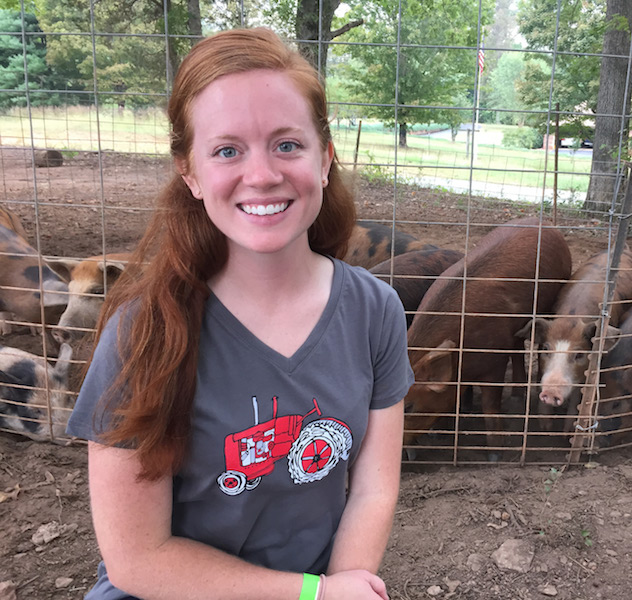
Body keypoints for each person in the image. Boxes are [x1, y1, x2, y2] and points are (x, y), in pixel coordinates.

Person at [66, 27, 414, 600]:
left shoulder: (375, 310)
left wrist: (344, 586)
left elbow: (374, 489)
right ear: (191, 173)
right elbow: (136, 560)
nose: (262, 175)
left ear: (324, 158)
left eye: (287, 144)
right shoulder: (143, 329)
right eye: (228, 150)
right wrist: (313, 595)